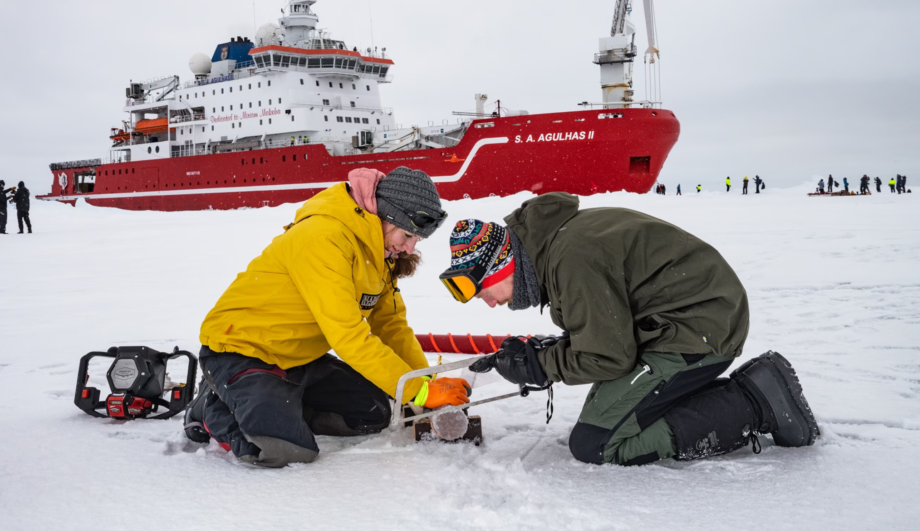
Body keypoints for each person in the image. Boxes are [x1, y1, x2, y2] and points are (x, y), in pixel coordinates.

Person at [439, 194, 819, 466]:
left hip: (696, 330)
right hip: (685, 323)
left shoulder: (571, 257)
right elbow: (607, 328)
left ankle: (755, 403)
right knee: (610, 414)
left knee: (598, 443)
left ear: (502, 265)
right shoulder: (558, 246)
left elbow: (607, 356)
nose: (486, 302)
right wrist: (546, 352)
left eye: (480, 290)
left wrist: (541, 365)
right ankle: (741, 390)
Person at [189, 167, 466, 467]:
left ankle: (275, 407)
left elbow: (390, 326)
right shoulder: (323, 237)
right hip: (242, 351)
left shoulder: (380, 251)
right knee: (284, 451)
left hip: (299, 359)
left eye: (418, 240)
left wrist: (423, 385)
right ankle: (210, 408)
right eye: (408, 235)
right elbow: (348, 336)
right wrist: (421, 392)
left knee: (375, 413)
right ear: (386, 216)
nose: (409, 247)